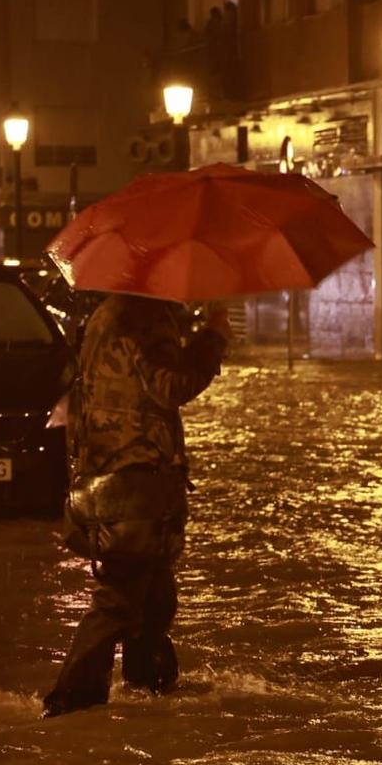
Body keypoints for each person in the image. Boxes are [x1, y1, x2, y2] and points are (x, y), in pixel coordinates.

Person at [44, 294, 229, 717]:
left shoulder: (107, 313)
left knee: (155, 595)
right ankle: (71, 701)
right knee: (121, 595)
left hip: (112, 471)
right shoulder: (145, 317)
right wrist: (213, 337)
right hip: (135, 474)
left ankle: (149, 694)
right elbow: (171, 385)